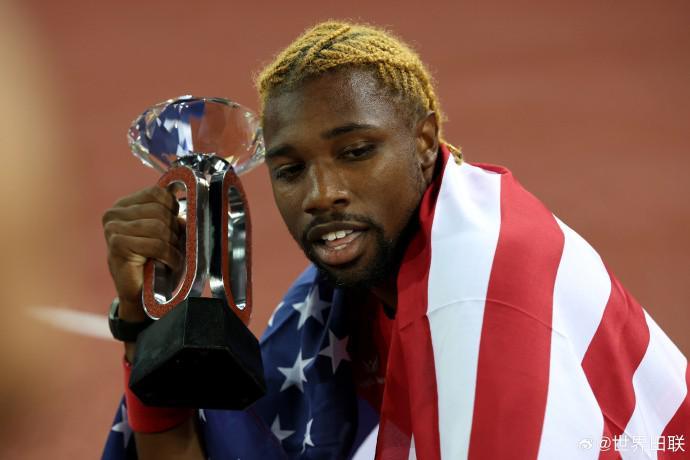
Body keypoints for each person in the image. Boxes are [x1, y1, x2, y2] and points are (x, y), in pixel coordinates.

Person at [102, 21, 689, 459]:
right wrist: (145, 319)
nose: (321, 194)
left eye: (356, 152)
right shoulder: (343, 290)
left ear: (426, 141)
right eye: (291, 169)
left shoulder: (482, 290)